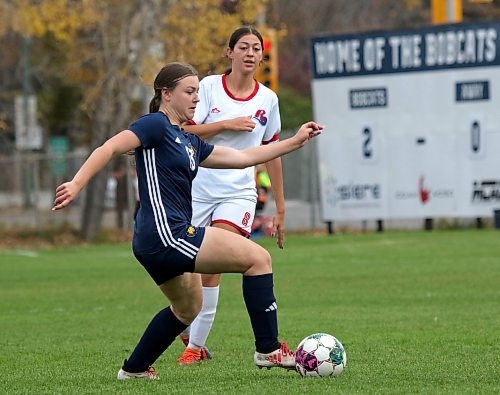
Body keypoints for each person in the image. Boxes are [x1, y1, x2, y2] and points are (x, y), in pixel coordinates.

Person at [52, 62, 323, 380]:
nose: (197, 98)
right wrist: (76, 183)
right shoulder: (154, 125)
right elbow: (110, 146)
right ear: (166, 94)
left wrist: (295, 141)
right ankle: (269, 349)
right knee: (258, 258)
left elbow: (242, 158)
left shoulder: (188, 141)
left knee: (188, 307)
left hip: (155, 239)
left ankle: (134, 370)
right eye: (189, 91)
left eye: (198, 91)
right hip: (166, 233)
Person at [177, 25, 286, 365]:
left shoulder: (268, 99)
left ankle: (194, 348)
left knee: (214, 265)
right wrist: (227, 124)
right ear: (230, 52)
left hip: (238, 193)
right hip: (196, 188)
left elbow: (274, 151)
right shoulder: (208, 87)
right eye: (243, 47)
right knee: (183, 275)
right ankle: (187, 325)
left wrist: (280, 207)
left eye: (257, 48)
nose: (251, 53)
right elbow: (184, 130)